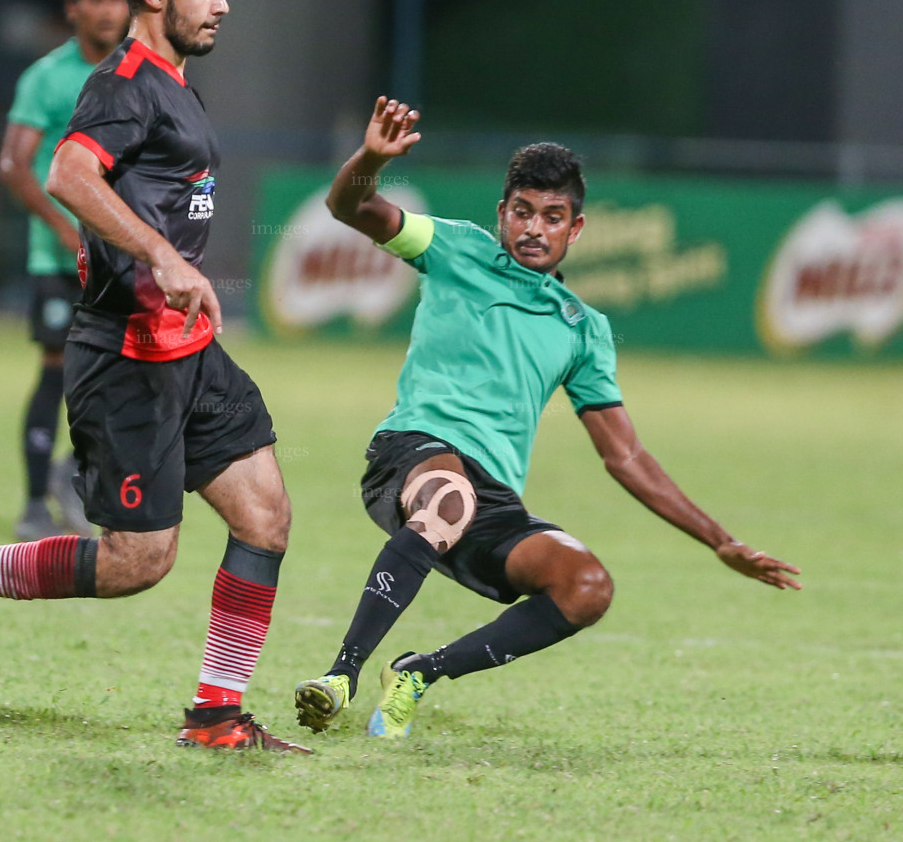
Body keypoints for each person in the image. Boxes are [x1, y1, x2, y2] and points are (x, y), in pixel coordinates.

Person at [0, 0, 309, 754]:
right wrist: (160, 255)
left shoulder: (176, 84)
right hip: (127, 358)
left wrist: (174, 268)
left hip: (190, 351)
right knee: (137, 564)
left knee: (265, 517)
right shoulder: (124, 82)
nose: (223, 3)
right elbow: (66, 171)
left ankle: (216, 716)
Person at [293, 98, 803, 738]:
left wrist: (718, 538)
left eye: (553, 217)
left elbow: (625, 455)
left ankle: (421, 672)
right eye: (523, 212)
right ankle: (342, 675)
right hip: (412, 457)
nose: (535, 228)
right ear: (502, 214)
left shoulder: (584, 329)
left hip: (493, 500)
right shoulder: (452, 247)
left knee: (586, 585)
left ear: (576, 229)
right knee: (446, 497)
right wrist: (371, 159)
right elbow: (348, 207)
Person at [0, 0, 128, 540]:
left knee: (115, 376)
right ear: (73, 9)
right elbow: (14, 165)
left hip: (120, 256)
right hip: (59, 259)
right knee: (57, 369)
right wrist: (59, 225)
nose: (107, 10)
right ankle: (32, 501)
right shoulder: (47, 77)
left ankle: (74, 477)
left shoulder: (139, 74)